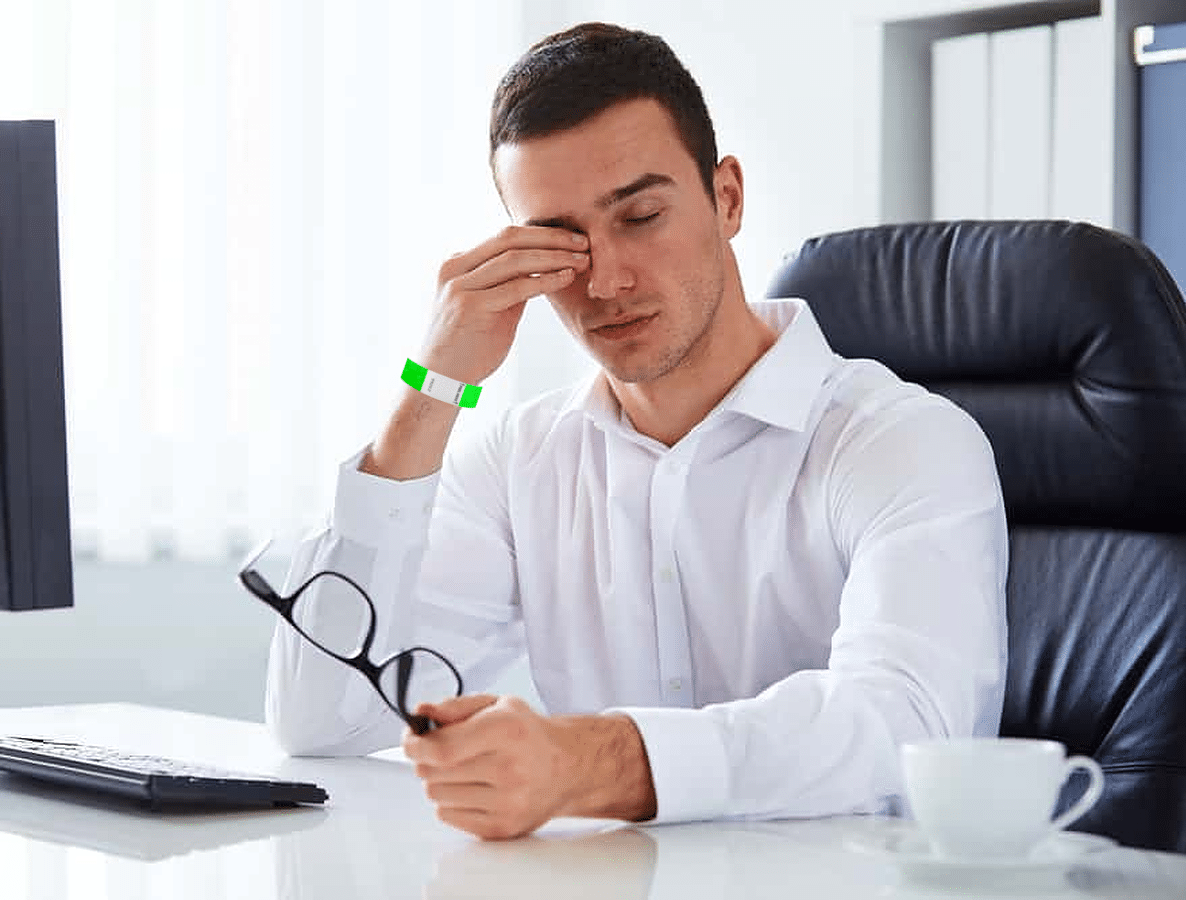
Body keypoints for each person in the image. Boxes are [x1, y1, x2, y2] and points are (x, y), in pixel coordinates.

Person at [264, 22, 1008, 841]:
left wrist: (596, 761)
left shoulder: (902, 442)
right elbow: (319, 720)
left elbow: (907, 724)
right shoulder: (524, 458)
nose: (607, 281)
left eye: (642, 216)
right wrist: (434, 384)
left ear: (727, 197)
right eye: (562, 242)